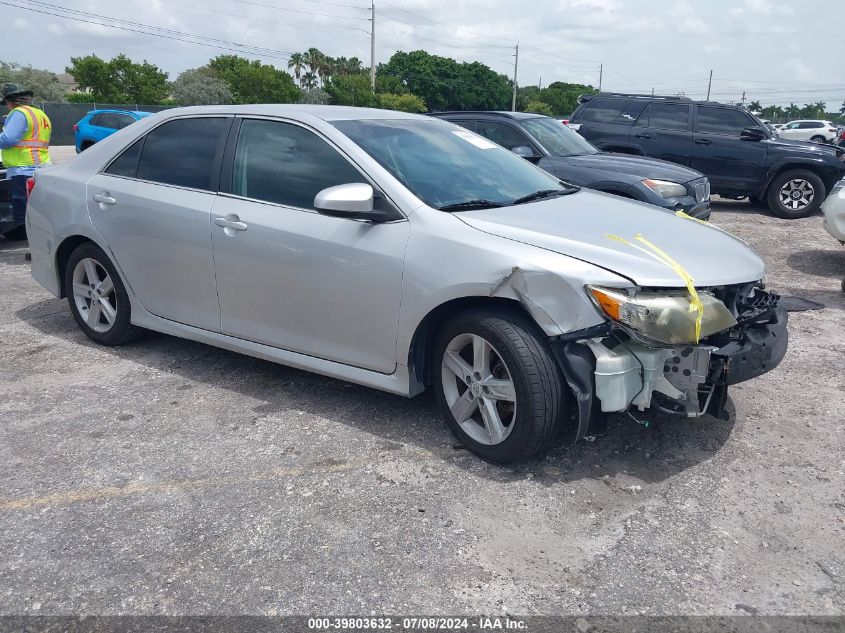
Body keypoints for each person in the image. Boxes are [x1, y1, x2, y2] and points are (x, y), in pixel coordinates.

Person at [0, 83, 52, 260]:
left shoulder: (18, 113)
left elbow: (9, 139)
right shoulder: (40, 114)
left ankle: (37, 251)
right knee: (41, 211)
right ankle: (44, 249)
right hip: (42, 166)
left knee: (27, 214)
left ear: (11, 101)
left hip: (23, 169)